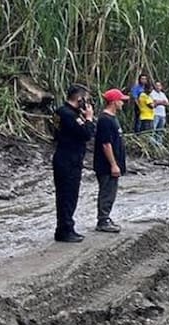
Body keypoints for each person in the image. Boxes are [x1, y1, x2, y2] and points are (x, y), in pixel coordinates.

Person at [52, 84, 96, 243]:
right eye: (86, 99)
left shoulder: (63, 111)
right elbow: (86, 134)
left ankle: (64, 228)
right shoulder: (68, 114)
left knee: (66, 195)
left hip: (66, 156)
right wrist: (89, 118)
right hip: (68, 159)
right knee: (68, 196)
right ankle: (65, 230)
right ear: (80, 99)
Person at [94, 88, 128, 233]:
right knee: (107, 192)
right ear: (114, 102)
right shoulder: (105, 120)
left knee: (111, 191)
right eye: (121, 100)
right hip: (106, 165)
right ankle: (103, 220)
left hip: (113, 163)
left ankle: (105, 217)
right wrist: (113, 165)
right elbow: (106, 144)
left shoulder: (112, 118)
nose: (123, 103)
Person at [149, 80, 169, 146]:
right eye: (156, 85)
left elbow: (167, 103)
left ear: (161, 87)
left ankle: (159, 144)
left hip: (162, 115)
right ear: (154, 86)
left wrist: (158, 102)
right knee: (153, 130)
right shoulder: (152, 93)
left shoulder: (162, 94)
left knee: (160, 130)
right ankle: (153, 144)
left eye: (159, 85)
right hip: (155, 114)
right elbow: (154, 102)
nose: (158, 87)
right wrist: (162, 102)